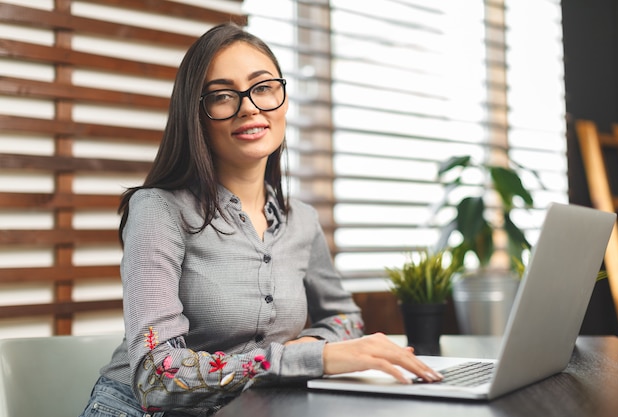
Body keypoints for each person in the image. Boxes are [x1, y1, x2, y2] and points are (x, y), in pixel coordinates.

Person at [78, 22, 442, 417]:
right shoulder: (158, 209)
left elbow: (345, 318)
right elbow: (156, 376)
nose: (249, 106)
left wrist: (315, 344)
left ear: (283, 100)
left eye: (263, 87)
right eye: (222, 95)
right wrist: (310, 359)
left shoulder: (300, 219)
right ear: (196, 115)